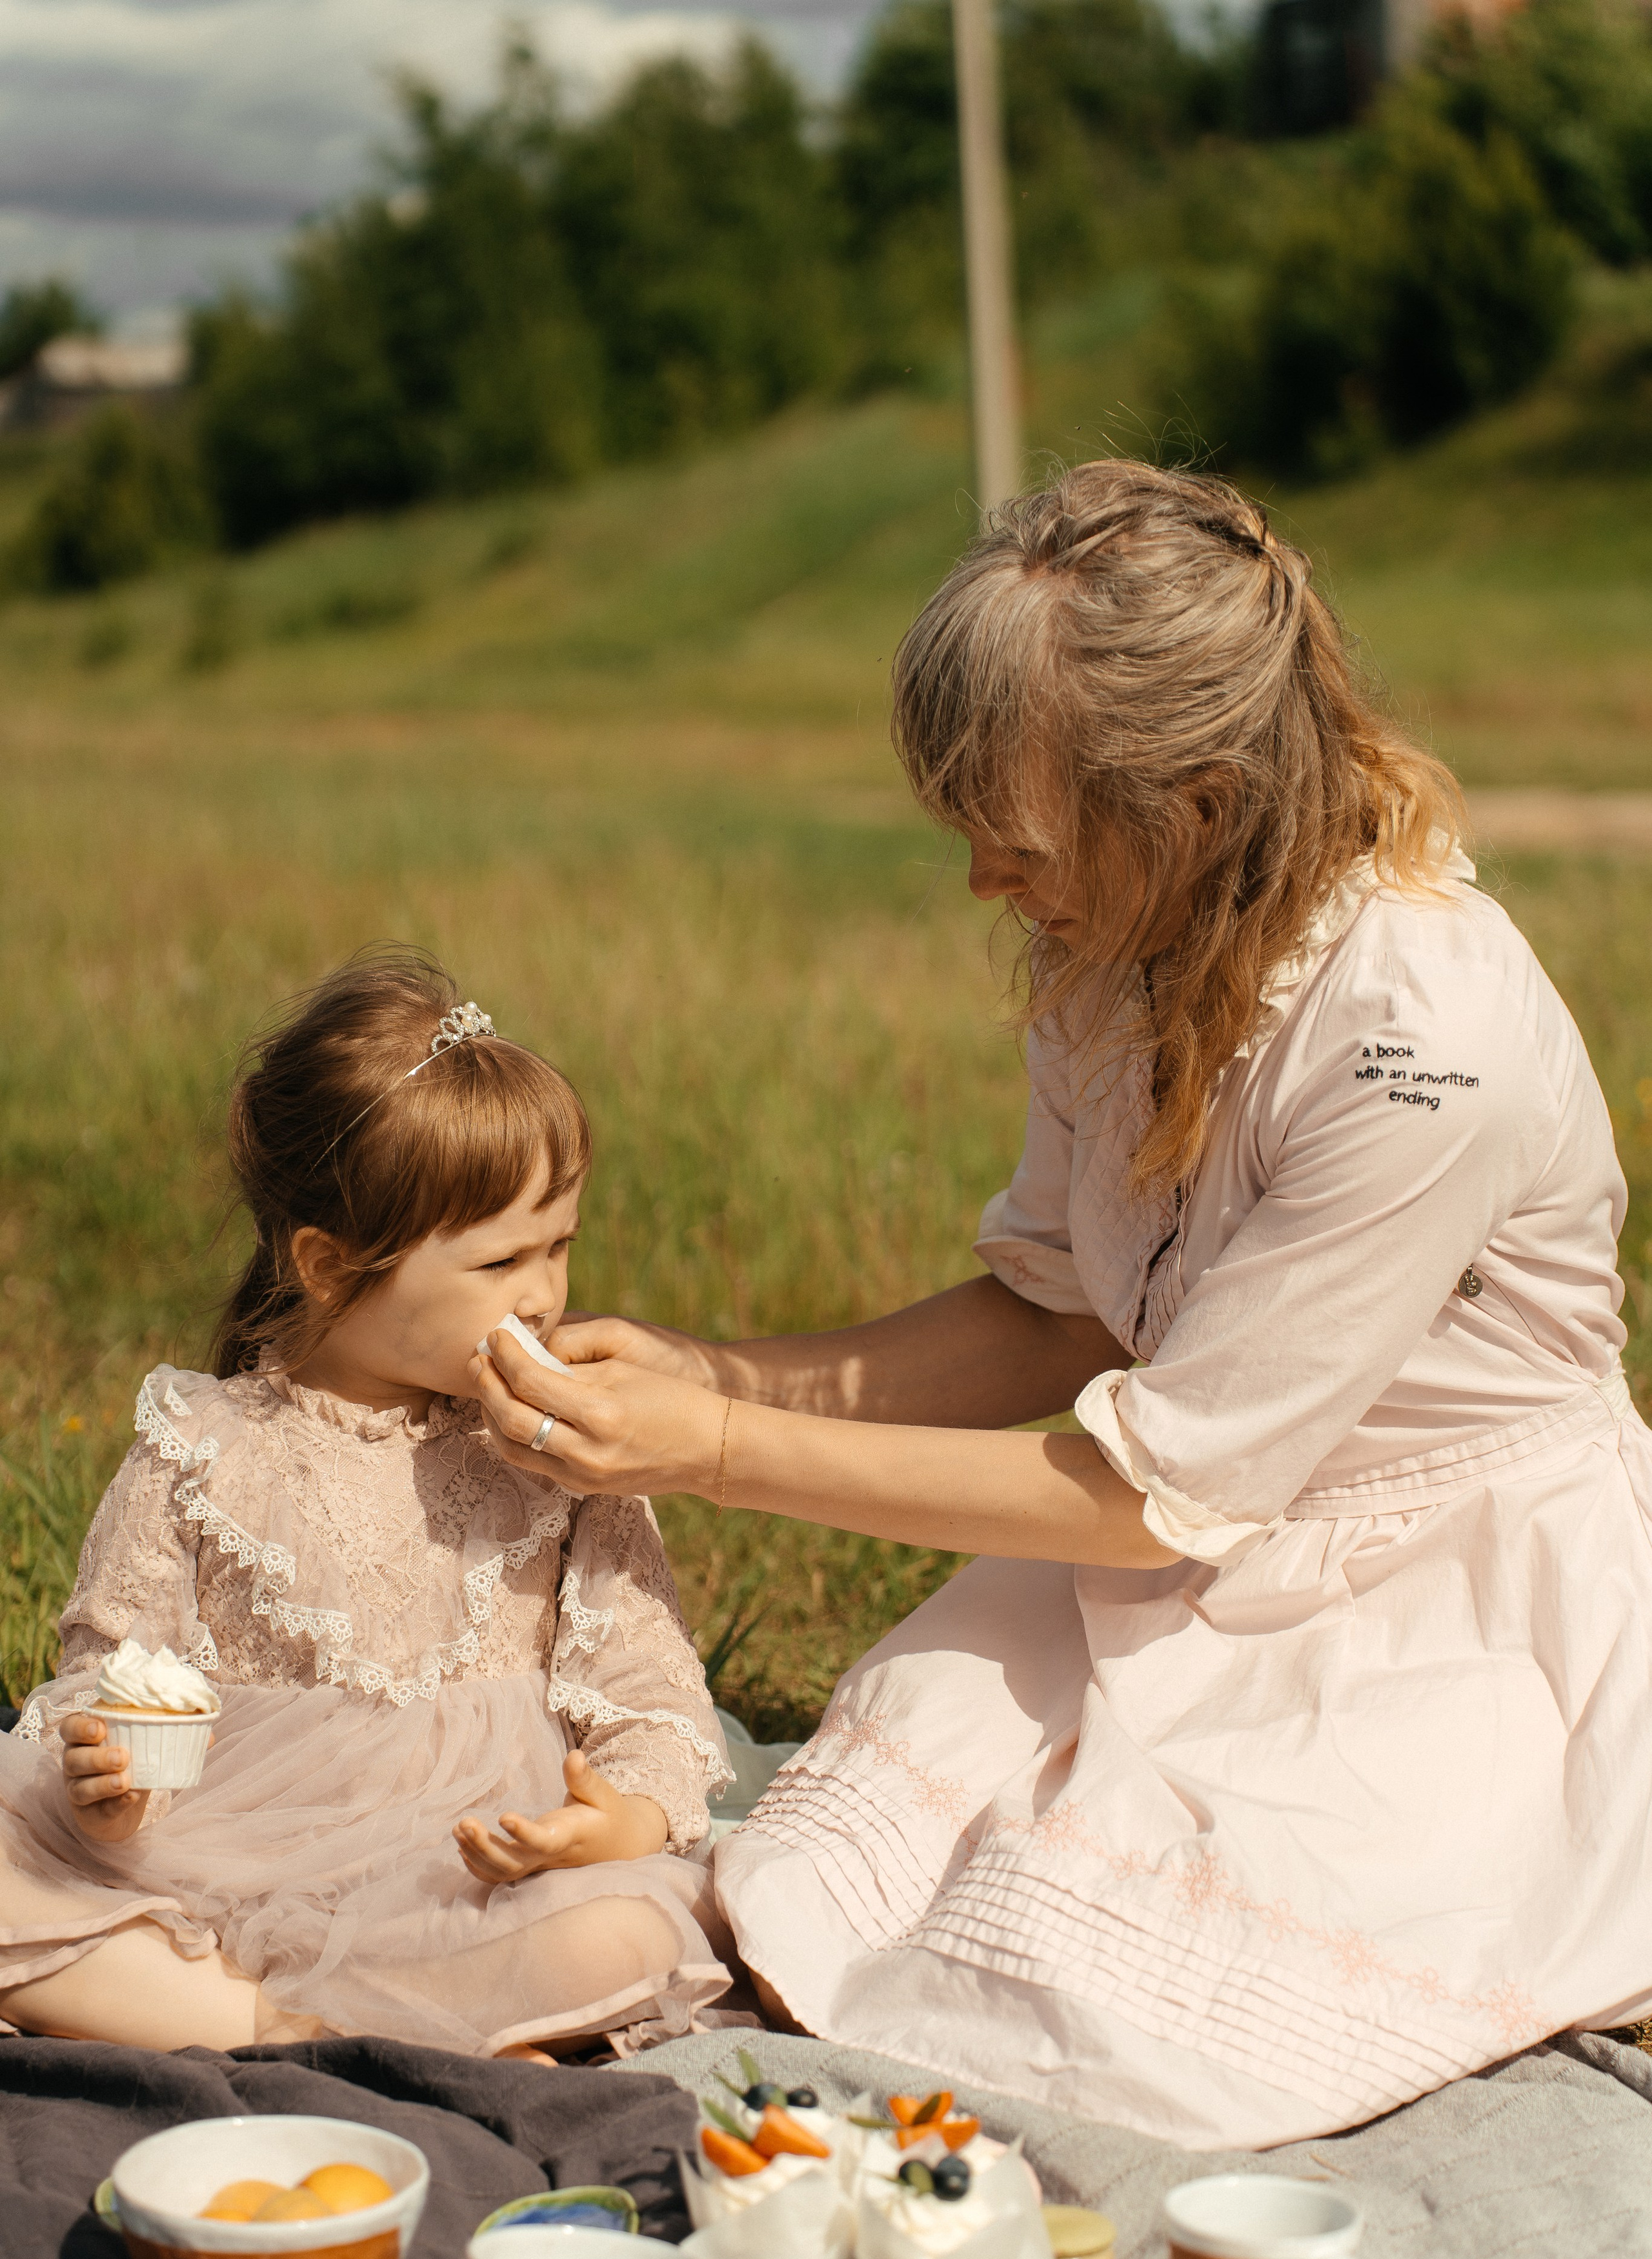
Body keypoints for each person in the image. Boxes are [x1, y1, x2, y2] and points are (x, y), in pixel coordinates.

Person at [474, 459, 1652, 2147]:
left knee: (1122, 2007)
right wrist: (713, 1370)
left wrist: (713, 1443)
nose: (979, 886)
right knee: (817, 1870)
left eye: (1011, 842)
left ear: (1196, 803)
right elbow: (1052, 1320)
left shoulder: (1418, 1043)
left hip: (1441, 1591)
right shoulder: (1123, 955)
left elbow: (1143, 1492)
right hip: (1187, 1536)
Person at [0, 954, 731, 2057]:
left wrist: (615, 1821)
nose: (544, 1293)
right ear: (332, 1269)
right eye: (502, 1260)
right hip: (225, 1855)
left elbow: (650, 1695)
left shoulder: (562, 1455)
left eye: (560, 1246)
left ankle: (323, 2016)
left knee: (627, 1932)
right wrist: (111, 1784)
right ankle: (278, 2024)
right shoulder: (206, 1444)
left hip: (459, 1875)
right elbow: (115, 1673)